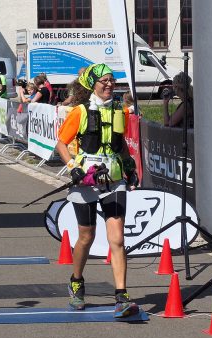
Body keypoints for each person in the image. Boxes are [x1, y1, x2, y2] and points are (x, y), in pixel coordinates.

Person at [54, 63, 140, 318]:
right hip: (86, 181)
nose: (110, 84)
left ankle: (121, 296)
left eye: (112, 80)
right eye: (104, 81)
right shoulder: (80, 112)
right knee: (86, 237)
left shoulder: (119, 110)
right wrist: (72, 167)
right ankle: (76, 281)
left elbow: (120, 143)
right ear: (93, 84)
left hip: (113, 181)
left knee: (117, 238)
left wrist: (129, 166)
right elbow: (61, 143)